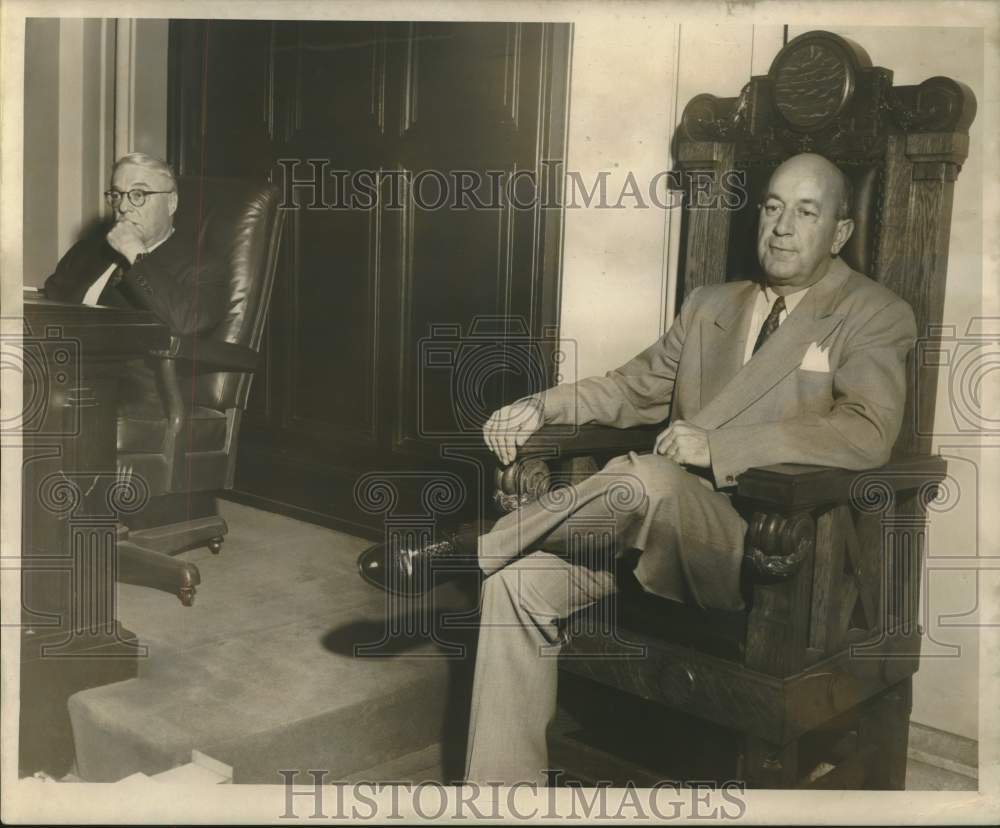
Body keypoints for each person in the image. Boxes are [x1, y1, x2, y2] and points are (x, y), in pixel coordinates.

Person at [358, 153, 917, 784]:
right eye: (772, 206)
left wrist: (722, 448)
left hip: (766, 555)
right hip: (641, 531)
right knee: (517, 586)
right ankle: (501, 799)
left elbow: (868, 433)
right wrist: (543, 404)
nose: (782, 226)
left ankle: (469, 547)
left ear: (839, 233)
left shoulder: (873, 311)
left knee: (647, 475)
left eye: (806, 212)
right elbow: (631, 388)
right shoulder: (712, 304)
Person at [45, 152, 228, 401]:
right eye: (117, 194)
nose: (123, 206)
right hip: (59, 375)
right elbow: (50, 304)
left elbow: (186, 321)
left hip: (129, 393)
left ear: (171, 203)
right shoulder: (87, 251)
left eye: (138, 195)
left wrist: (136, 254)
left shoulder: (203, 265)